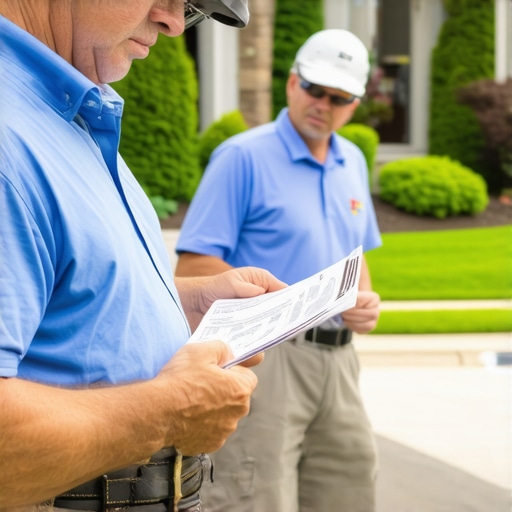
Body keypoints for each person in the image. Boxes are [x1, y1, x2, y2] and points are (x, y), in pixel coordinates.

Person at [0, 2, 287, 511]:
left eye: (190, 8)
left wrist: (176, 300)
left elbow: (47, 282)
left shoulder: (64, 103)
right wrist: (169, 411)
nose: (174, 22)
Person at [175, 29, 382, 512]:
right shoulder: (241, 156)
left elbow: (356, 255)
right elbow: (193, 264)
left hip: (341, 362)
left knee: (349, 492)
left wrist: (365, 301)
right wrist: (286, 303)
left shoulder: (352, 160)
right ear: (292, 82)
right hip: (270, 356)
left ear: (355, 103)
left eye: (340, 97)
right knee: (256, 496)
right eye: (314, 89)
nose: (323, 104)